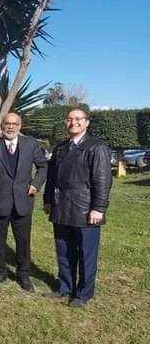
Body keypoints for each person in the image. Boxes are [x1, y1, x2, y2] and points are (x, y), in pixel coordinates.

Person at [43, 108, 112, 307]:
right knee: (63, 250)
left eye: (78, 119)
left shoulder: (97, 147)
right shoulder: (60, 148)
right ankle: (65, 287)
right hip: (61, 207)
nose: (73, 122)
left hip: (85, 209)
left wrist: (99, 208)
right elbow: (51, 178)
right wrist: (48, 200)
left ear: (87, 122)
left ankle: (84, 293)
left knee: (86, 254)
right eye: (70, 119)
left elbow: (102, 180)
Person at [0, 113, 47, 292]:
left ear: (20, 126)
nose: (10, 127)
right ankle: (0, 272)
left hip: (23, 201)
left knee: (23, 241)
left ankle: (23, 274)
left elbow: (43, 166)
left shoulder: (30, 144)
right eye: (7, 123)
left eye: (14, 124)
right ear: (2, 126)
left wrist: (36, 184)